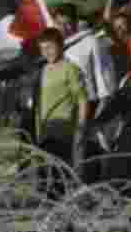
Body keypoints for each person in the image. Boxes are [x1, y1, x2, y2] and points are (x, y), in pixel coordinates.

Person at [31, 28, 89, 199]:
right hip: (44, 128)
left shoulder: (69, 68)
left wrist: (81, 125)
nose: (46, 52)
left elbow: (82, 99)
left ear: (60, 46)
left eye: (50, 47)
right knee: (45, 174)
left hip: (62, 128)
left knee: (58, 176)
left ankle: (62, 215)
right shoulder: (42, 71)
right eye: (42, 48)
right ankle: (54, 213)